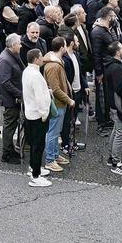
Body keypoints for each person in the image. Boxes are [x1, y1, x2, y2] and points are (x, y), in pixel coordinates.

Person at [42, 36, 75, 173]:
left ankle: (54, 155)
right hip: (57, 104)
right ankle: (50, 159)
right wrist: (69, 100)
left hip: (60, 103)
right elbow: (55, 89)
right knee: (53, 133)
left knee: (56, 132)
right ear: (62, 47)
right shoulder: (54, 66)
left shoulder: (56, 63)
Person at [21, 48, 52, 187]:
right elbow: (39, 97)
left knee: (34, 143)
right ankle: (36, 175)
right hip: (38, 115)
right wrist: (44, 113)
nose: (43, 58)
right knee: (38, 145)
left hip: (30, 113)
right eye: (41, 57)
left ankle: (34, 168)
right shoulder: (36, 75)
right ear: (35, 59)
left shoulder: (27, 72)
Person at [104, 41, 122, 176]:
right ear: (117, 52)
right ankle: (116, 162)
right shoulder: (117, 68)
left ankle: (112, 158)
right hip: (119, 105)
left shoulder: (112, 65)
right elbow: (120, 88)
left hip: (114, 105)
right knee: (121, 133)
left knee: (117, 131)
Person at [0, 33, 25, 164]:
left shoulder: (12, 55)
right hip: (11, 99)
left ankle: (10, 149)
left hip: (14, 98)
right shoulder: (5, 60)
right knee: (9, 126)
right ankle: (6, 153)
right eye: (19, 43)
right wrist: (20, 94)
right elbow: (5, 82)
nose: (21, 45)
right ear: (13, 45)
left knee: (12, 125)